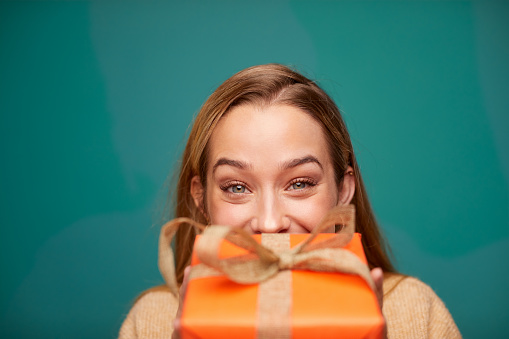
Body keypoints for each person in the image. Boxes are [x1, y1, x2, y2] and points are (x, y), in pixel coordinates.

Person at [119, 64, 461, 338]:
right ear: (201, 200)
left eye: (299, 183)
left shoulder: (415, 313)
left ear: (343, 190)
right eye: (236, 187)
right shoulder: (153, 322)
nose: (270, 223)